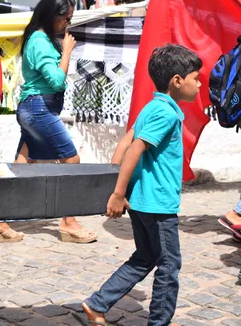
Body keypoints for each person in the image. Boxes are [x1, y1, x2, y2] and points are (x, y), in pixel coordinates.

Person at [82, 44, 202, 326]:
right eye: (195, 78)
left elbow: (124, 143)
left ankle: (97, 303)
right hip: (157, 204)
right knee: (169, 265)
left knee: (145, 257)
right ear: (177, 80)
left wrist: (115, 188)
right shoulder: (166, 113)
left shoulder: (152, 106)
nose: (199, 84)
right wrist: (116, 192)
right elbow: (135, 148)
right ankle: (159, 322)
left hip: (142, 202)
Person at [0, 0, 98, 244]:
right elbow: (57, 81)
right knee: (71, 161)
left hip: (34, 109)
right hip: (39, 109)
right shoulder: (40, 42)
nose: (67, 24)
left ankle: (0, 223)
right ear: (52, 16)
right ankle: (69, 221)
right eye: (65, 18)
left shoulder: (41, 39)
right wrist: (67, 51)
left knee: (21, 164)